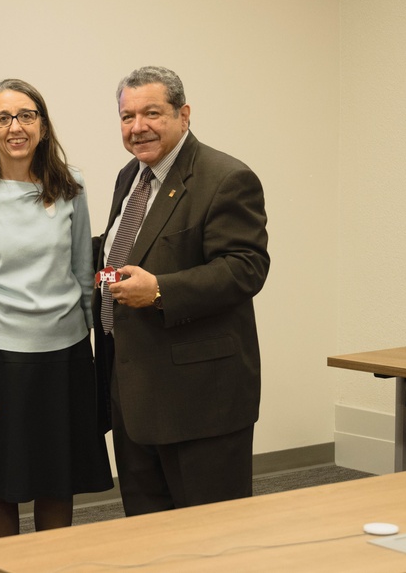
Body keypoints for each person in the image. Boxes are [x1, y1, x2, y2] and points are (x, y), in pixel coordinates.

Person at [0, 79, 113, 539]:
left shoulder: (72, 187)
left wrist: (93, 351)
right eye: (3, 118)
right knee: (4, 488)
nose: (16, 127)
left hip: (65, 356)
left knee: (58, 484)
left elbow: (82, 275)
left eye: (27, 115)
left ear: (43, 126)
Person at [92, 65, 269, 517]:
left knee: (210, 539)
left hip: (198, 400)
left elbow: (246, 268)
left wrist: (160, 292)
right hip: (135, 391)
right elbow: (124, 248)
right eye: (127, 116)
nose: (138, 127)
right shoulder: (129, 176)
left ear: (184, 115)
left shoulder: (225, 177)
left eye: (152, 113)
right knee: (149, 534)